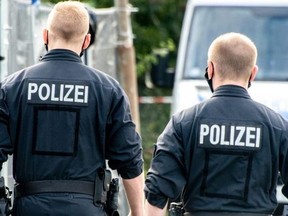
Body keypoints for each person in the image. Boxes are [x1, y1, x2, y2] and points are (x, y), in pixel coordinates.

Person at [0, 1, 144, 215]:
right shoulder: (107, 90)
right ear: (86, 41)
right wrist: (138, 212)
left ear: (45, 35)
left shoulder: (13, 87)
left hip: (29, 209)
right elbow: (130, 161)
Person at [144, 32, 288, 216]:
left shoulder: (183, 123)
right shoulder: (277, 127)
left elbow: (156, 195)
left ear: (210, 69)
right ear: (253, 73)